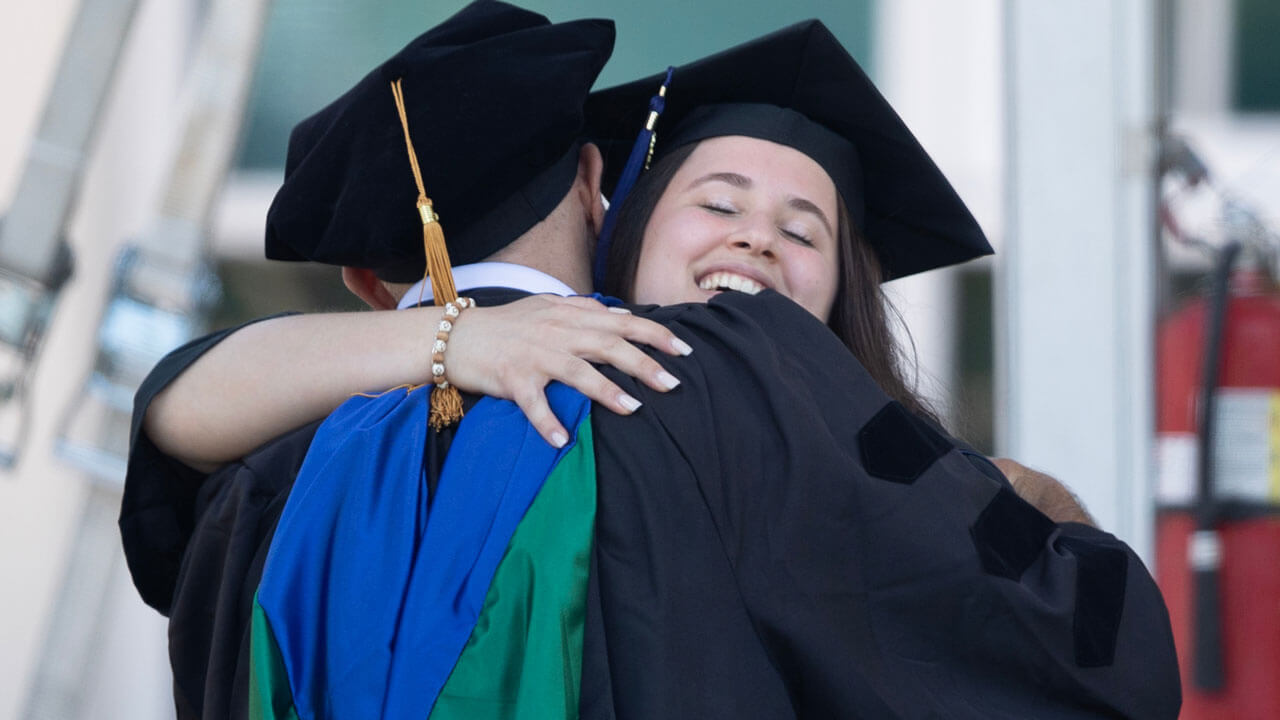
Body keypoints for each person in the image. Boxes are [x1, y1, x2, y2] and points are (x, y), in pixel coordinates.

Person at [122, 7, 1179, 720]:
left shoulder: (261, 471)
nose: (755, 241)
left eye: (799, 227)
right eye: (716, 203)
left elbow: (172, 421)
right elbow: (1091, 656)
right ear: (598, 186)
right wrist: (1020, 503)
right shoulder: (712, 382)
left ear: (360, 280)